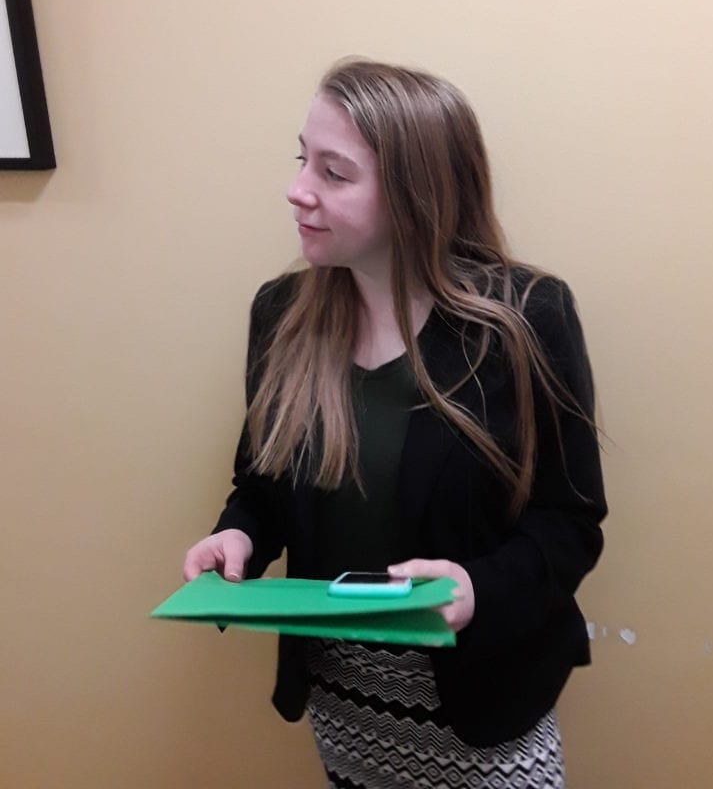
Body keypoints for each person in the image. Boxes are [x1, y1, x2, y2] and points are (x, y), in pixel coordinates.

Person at [183, 58, 607, 789]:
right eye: (301, 159)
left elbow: (570, 522)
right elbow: (262, 482)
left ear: (417, 195)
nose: (297, 189)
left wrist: (478, 588)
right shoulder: (281, 316)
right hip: (345, 703)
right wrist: (239, 535)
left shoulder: (526, 319)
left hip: (484, 708)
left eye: (334, 172)